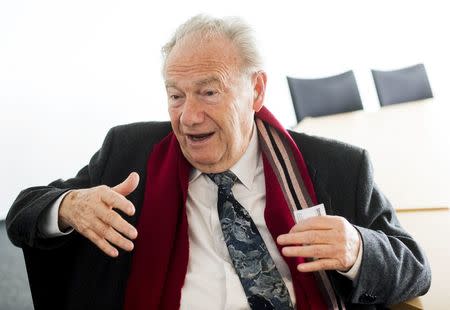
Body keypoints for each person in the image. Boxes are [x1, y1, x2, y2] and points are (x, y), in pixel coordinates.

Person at [6, 15, 430, 310]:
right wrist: (68, 207)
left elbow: (414, 268)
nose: (188, 117)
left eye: (209, 92)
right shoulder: (128, 151)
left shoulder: (338, 167)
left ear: (256, 91)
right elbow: (24, 211)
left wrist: (357, 248)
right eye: (176, 95)